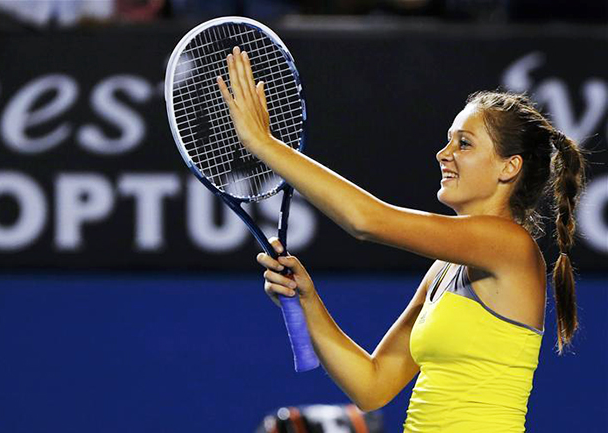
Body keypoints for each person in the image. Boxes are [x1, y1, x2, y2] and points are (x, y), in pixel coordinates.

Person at [216, 46, 587, 431]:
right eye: (448, 140)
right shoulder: (443, 269)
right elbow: (372, 385)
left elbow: (367, 220)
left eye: (464, 143)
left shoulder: (509, 245)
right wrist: (308, 301)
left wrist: (263, 144)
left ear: (509, 168)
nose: (443, 154)